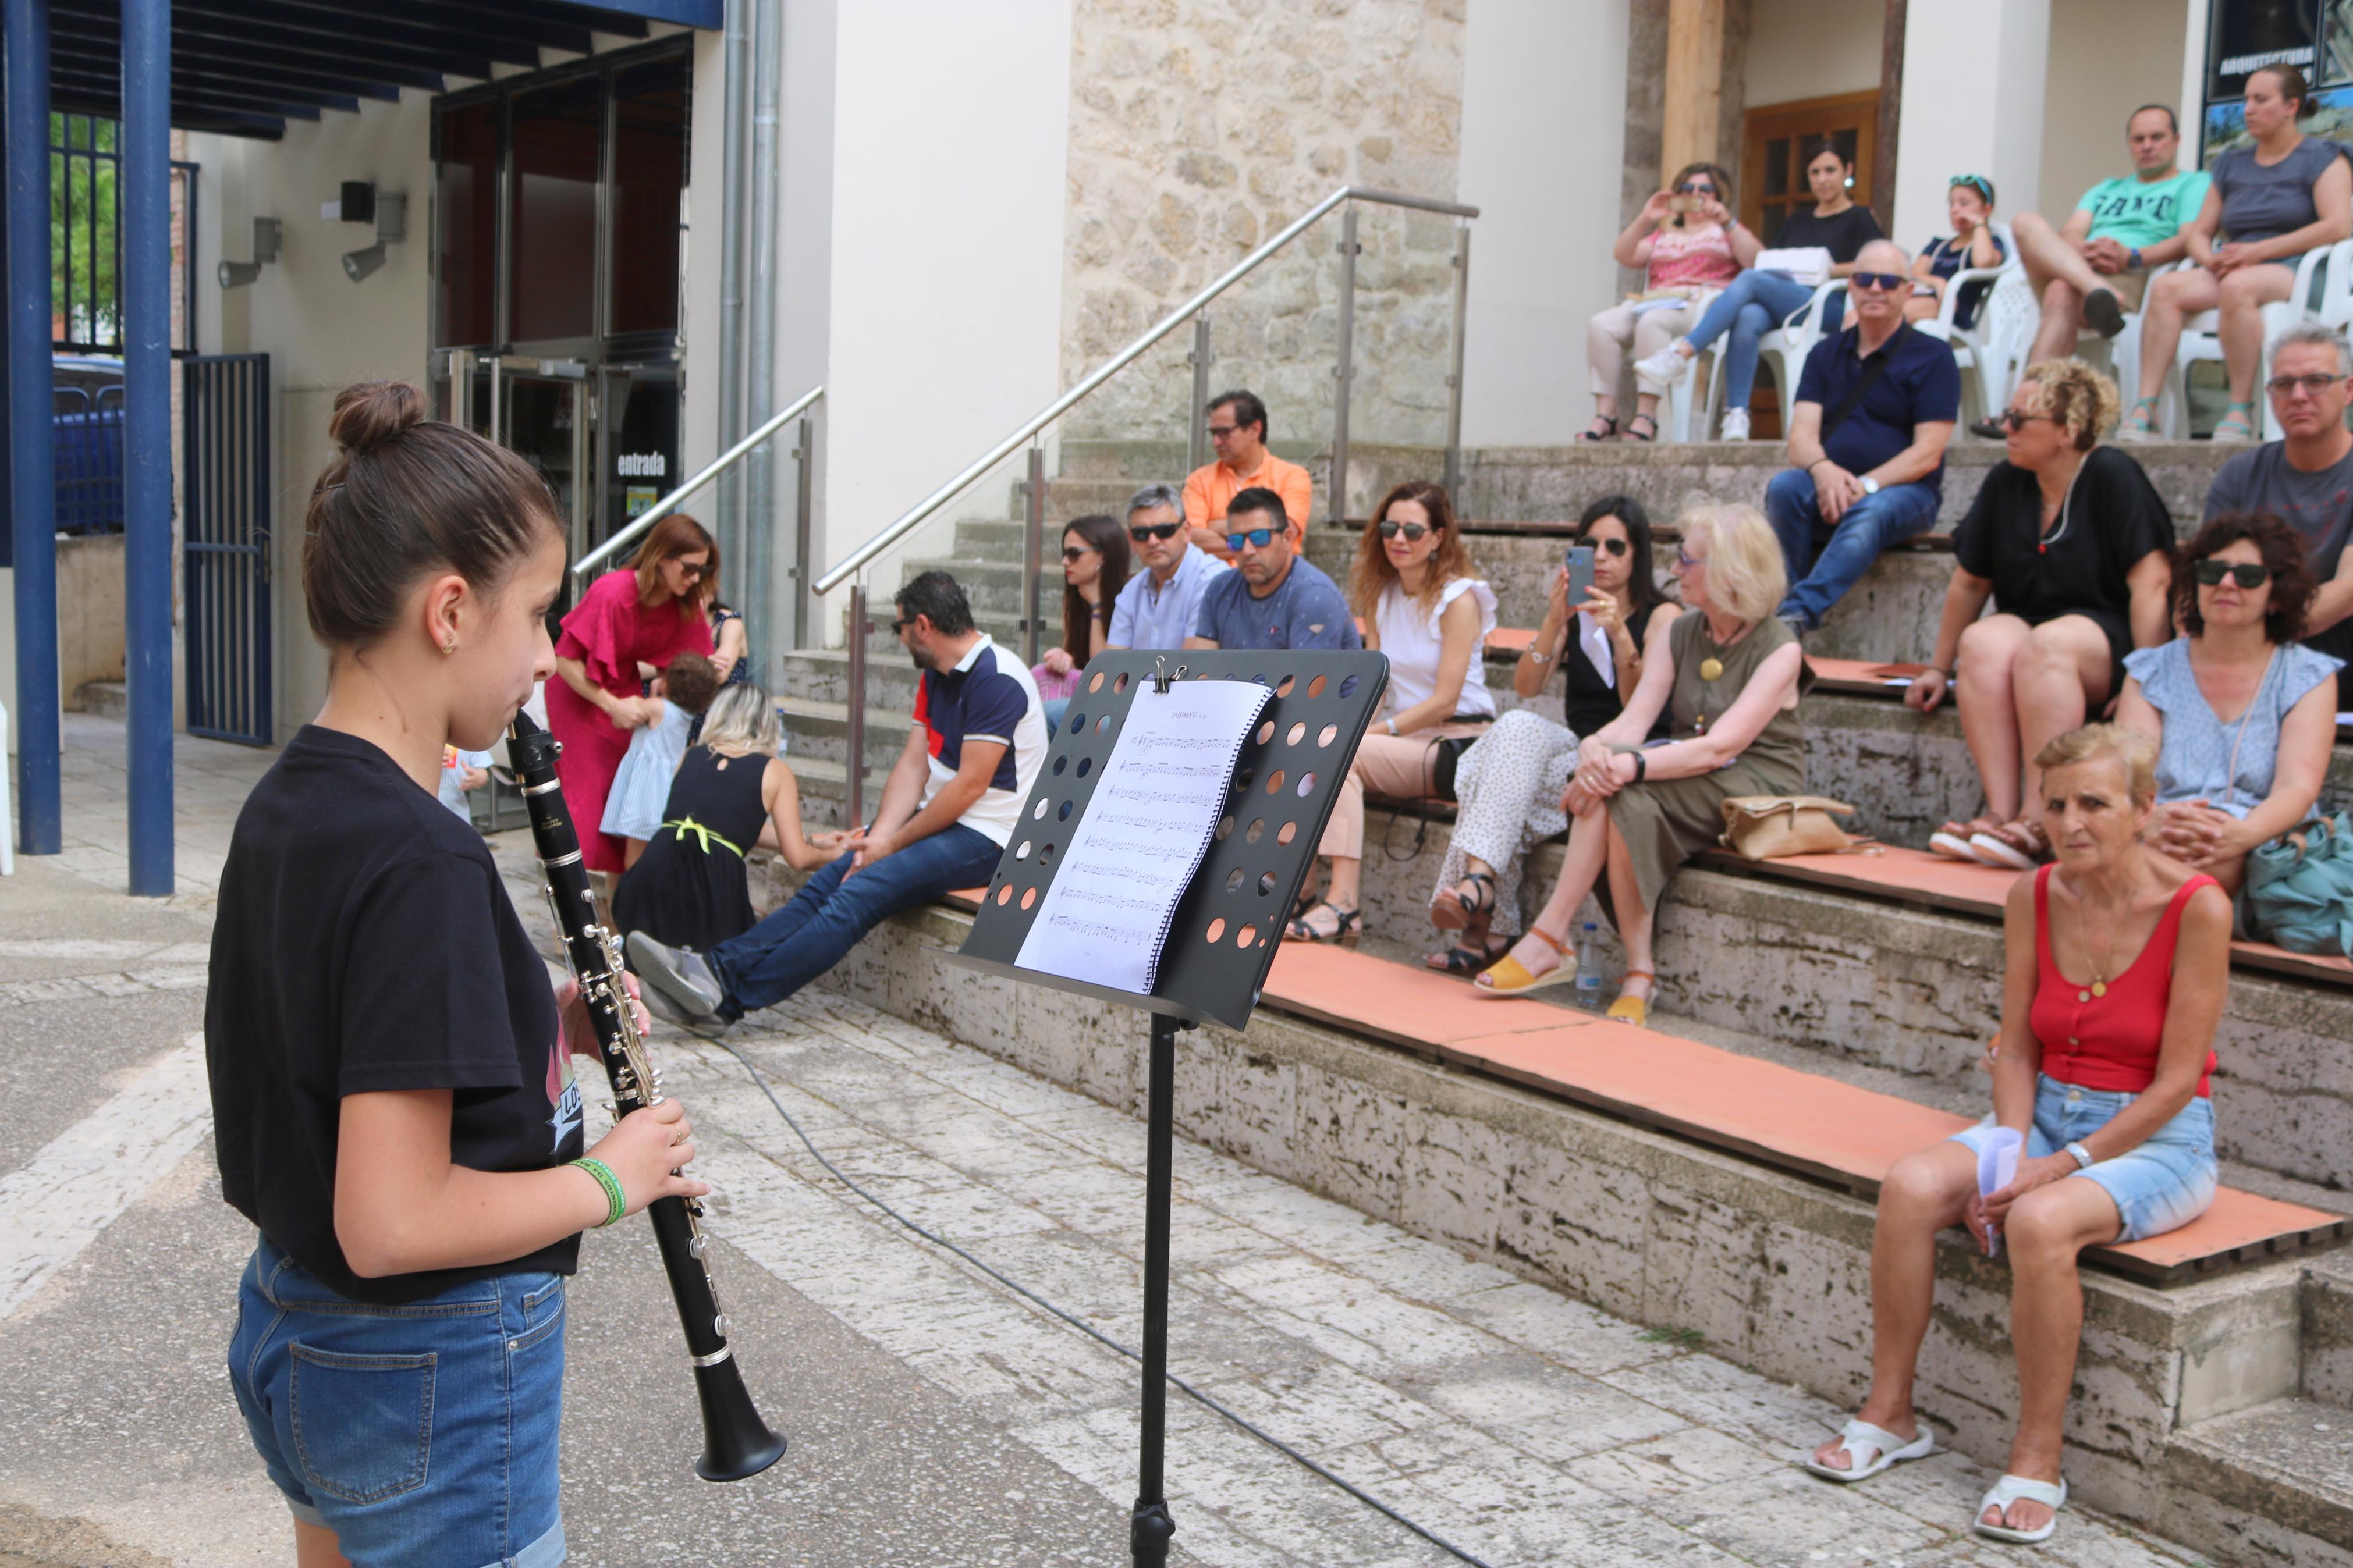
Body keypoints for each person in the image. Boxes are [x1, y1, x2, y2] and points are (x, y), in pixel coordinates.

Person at [208, 382, 703, 1568]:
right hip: (425, 1363)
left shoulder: (296, 801)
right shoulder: (419, 851)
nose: (547, 656)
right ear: (447, 611)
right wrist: (610, 1176)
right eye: (537, 616)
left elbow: (337, 1030)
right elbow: (391, 1220)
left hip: (298, 1329)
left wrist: (542, 1016)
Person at [1807, 724, 2227, 1548]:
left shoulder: (2194, 906)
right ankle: (1889, 1411)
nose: (2071, 822)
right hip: (2038, 1110)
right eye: (2056, 804)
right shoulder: (2032, 892)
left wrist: (2055, 1169)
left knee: (2039, 1221)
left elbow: (2178, 1081)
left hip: (2157, 1137)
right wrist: (2007, 1153)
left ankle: (2037, 1455)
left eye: (2094, 804)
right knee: (1909, 1184)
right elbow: (2015, 1043)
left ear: (2143, 809)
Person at [629, 571, 1046, 1025]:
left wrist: (890, 844)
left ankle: (725, 996)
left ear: (923, 625)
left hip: (995, 837)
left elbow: (971, 785)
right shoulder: (936, 677)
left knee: (858, 895)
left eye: (899, 626)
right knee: (832, 879)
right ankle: (712, 973)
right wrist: (877, 838)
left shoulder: (996, 678)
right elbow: (912, 766)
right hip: (947, 820)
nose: (899, 637)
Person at [1472, 504, 1810, 1025]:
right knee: (1609, 787)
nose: (1674, 570)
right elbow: (1634, 722)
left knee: (1619, 789)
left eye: (1686, 560)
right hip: (1689, 766)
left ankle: (1559, 943)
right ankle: (1630, 970)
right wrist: (1595, 752)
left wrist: (1624, 768)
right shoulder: (1684, 631)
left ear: (1728, 572)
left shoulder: (1780, 648)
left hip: (1753, 779)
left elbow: (1721, 748)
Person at [1911, 361, 2174, 869]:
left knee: (2047, 644)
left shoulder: (2112, 475)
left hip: (2102, 639)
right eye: (2005, 416)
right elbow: (1969, 581)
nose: (2003, 429)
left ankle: (2039, 818)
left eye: (2018, 419)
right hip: (2030, 630)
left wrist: (2143, 677)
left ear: (2067, 430)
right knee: (1983, 641)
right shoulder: (2007, 481)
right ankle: (1998, 811)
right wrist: (1936, 669)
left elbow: (2152, 584)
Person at [1426, 497, 1680, 976]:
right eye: (1589, 544)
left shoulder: (1662, 615)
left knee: (1489, 772)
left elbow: (1639, 709)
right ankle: (1482, 896)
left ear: (1637, 554)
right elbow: (1527, 687)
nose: (1600, 555)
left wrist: (1620, 635)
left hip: (1626, 757)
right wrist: (1553, 621)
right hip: (1571, 749)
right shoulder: (1575, 612)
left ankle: (1483, 925)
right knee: (1515, 728)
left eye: (1614, 546)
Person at [1286, 482, 1496, 947]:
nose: (1398, 538)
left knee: (1344, 753)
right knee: (1311, 740)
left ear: (1439, 536)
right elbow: (1376, 685)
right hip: (1404, 740)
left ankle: (1343, 903)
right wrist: (1346, 724)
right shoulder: (1380, 594)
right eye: (1389, 527)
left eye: (1413, 530)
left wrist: (1373, 732)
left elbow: (1445, 699)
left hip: (1461, 743)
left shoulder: (1460, 598)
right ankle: (1298, 889)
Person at [2120, 64, 2353, 443]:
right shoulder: (2230, 164)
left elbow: (2336, 226)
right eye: (2245, 99)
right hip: (2233, 266)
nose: (2247, 109)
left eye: (2260, 100)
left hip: (2297, 267)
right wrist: (2209, 258)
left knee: (2238, 286)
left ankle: (2240, 408)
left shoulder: (2323, 156)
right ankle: (2146, 407)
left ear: (2291, 106)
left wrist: (2260, 250)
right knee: (2166, 288)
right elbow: (2200, 233)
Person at [2118, 513, 2342, 896]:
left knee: (2212, 862)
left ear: (2275, 595)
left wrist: (2240, 834)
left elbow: (2297, 786)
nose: (2225, 583)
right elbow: (2127, 776)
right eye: (2211, 571)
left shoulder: (2307, 675)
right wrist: (2150, 821)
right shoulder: (2150, 670)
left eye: (2248, 576)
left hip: (2259, 833)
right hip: (2162, 829)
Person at [1763, 239, 1961, 634]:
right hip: (1832, 481)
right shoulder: (1824, 354)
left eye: (1888, 281)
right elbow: (1800, 438)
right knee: (1785, 488)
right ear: (1850, 286)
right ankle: (1779, 601)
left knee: (1868, 511)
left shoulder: (1934, 356)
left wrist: (1865, 485)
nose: (1875, 289)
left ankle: (1792, 617)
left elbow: (1927, 453)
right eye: (1865, 279)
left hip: (1905, 492)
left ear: (1907, 291)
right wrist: (1823, 472)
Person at [1637, 139, 1886, 442]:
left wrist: (1830, 268)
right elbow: (1772, 263)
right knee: (1749, 314)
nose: (1822, 179)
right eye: (1815, 171)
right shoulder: (1797, 220)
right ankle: (1737, 415)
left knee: (1751, 279)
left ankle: (1683, 352)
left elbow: (1879, 265)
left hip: (1830, 305)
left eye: (1830, 170)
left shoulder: (1860, 217)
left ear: (1847, 171)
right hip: (1789, 301)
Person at [613, 681, 850, 952]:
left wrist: (813, 839)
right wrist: (837, 855)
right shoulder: (776, 771)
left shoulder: (691, 755)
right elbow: (797, 858)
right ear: (768, 725)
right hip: (712, 882)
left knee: (646, 965)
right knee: (713, 975)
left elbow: (722, 825)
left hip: (657, 865)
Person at [546, 512, 716, 876]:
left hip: (624, 689)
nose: (696, 578)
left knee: (626, 791)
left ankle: (617, 900)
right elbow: (564, 660)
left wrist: (670, 684)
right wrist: (612, 704)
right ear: (662, 557)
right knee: (588, 797)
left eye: (703, 570)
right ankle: (582, 898)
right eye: (688, 568)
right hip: (580, 694)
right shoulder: (613, 591)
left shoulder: (683, 602)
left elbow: (692, 662)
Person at [1998, 105, 2210, 383]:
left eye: (2157, 137)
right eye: (2138, 139)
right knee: (2025, 222)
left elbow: (2189, 239)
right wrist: (2084, 250)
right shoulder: (2106, 189)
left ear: (2177, 140)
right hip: (2084, 268)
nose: (2147, 146)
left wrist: (2131, 257)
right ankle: (2097, 289)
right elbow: (2072, 233)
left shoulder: (2193, 184)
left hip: (2131, 273)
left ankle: (2030, 408)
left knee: (2061, 291)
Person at [2201, 322, 2353, 710]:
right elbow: (2206, 576)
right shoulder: (2241, 474)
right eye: (2283, 384)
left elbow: (2348, 589)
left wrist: (2256, 640)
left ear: (2348, 390)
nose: (2298, 396)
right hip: (2245, 659)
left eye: (2316, 381)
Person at [1584, 162, 1756, 443]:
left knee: (1653, 322)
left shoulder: (1725, 232)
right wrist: (1646, 217)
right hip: (1654, 299)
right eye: (1688, 188)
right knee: (1601, 325)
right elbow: (1624, 255)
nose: (1696, 194)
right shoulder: (1663, 236)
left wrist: (1728, 222)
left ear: (1719, 195)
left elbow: (1755, 262)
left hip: (1700, 305)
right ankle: (1606, 415)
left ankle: (1647, 415)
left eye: (1705, 189)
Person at [1184, 487, 1363, 653]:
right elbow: (1203, 670)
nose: (1247, 551)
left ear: (1287, 538)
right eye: (1237, 541)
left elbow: (1309, 685)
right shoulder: (1220, 589)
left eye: (1260, 538)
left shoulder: (1315, 596)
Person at [601, 652, 723, 870]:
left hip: (646, 791)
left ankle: (632, 896)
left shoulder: (657, 707)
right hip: (666, 788)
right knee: (653, 854)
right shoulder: (686, 716)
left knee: (634, 859)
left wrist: (653, 694)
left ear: (668, 684)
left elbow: (620, 721)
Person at [1180, 389, 1314, 560]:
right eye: (1213, 434)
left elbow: (1281, 537)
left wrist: (1216, 526)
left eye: (1224, 433)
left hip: (1275, 583)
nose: (1216, 442)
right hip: (1214, 582)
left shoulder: (1293, 477)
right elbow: (1190, 539)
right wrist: (1258, 538)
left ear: (1254, 430)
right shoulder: (1198, 481)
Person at [1034, 514, 1130, 731]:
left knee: (1047, 715)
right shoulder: (1076, 597)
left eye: (1074, 554)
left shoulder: (1129, 598)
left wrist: (1097, 606)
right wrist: (1063, 658)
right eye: (1065, 553)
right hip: (1087, 696)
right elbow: (1079, 664)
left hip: (1118, 702)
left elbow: (1105, 671)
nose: (1065, 562)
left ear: (1103, 557)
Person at [1108, 481, 1224, 650]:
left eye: (1164, 531)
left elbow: (1194, 669)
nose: (1153, 542)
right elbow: (1112, 666)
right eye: (1142, 534)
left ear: (1186, 532)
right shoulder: (1133, 590)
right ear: (1131, 540)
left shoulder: (1211, 579)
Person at [1905, 175, 2008, 329]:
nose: (1955, 210)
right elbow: (1914, 272)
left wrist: (1980, 223)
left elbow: (1983, 262)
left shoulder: (1992, 245)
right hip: (1924, 298)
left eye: (1964, 204)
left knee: (1890, 315)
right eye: (1952, 204)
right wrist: (1938, 283)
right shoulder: (1938, 245)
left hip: (1952, 311)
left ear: (1986, 209)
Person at [437, 745, 494, 823]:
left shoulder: (465, 738)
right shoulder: (420, 737)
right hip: (423, 809)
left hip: (457, 811)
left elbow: (482, 767)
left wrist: (479, 778)